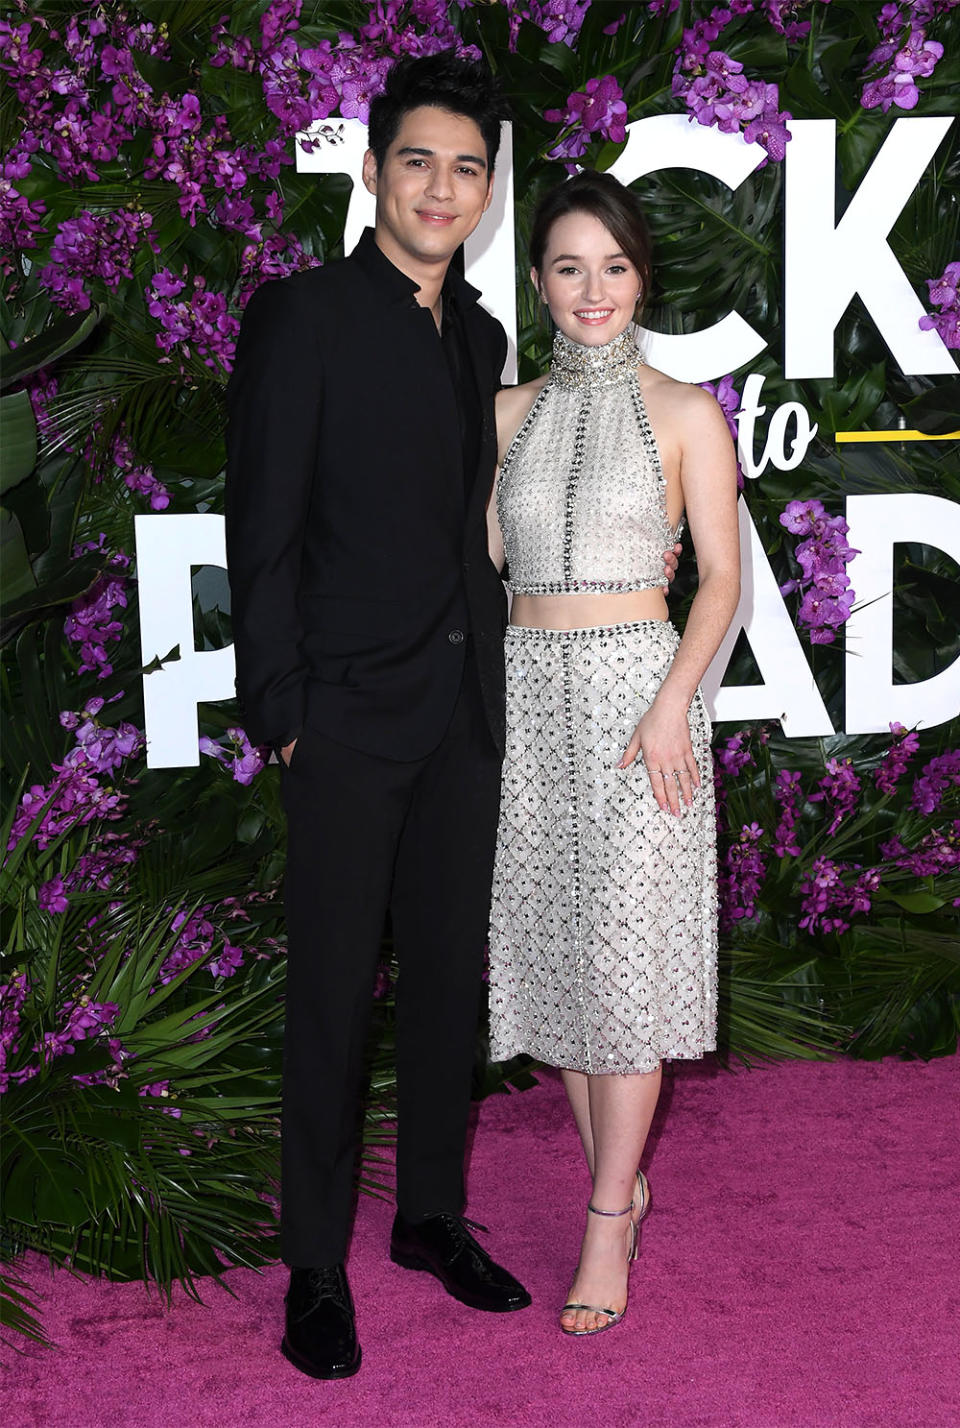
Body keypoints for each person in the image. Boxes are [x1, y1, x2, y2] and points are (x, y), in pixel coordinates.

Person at [225, 53, 532, 1381]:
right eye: (420, 161)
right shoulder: (304, 318)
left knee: (448, 991)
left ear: (485, 190)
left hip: (462, 713)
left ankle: (427, 1218)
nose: (442, 188)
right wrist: (284, 709)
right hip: (344, 721)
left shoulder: (479, 337)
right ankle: (311, 1268)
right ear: (374, 171)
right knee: (336, 1001)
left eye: (467, 168)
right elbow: (264, 530)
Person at [486, 170, 740, 1338]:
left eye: (616, 266)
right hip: (528, 703)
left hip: (645, 703)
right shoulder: (502, 414)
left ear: (644, 278)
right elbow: (471, 558)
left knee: (628, 978)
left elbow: (723, 586)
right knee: (567, 968)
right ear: (538, 282)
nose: (594, 290)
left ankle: (604, 1220)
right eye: (570, 267)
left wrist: (670, 705)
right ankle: (621, 1182)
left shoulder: (689, 411)